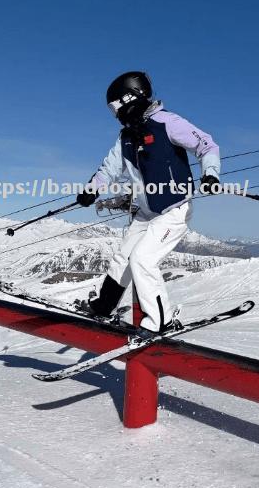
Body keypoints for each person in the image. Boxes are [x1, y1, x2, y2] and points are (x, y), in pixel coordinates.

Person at [76, 71, 220, 339]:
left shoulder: (167, 123)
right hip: (145, 213)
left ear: (130, 97)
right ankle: (104, 306)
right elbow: (109, 170)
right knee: (124, 258)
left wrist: (210, 174)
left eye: (115, 106)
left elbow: (206, 145)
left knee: (143, 259)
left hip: (172, 210)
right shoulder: (126, 136)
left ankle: (162, 321)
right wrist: (91, 190)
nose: (115, 113)